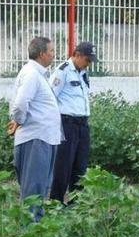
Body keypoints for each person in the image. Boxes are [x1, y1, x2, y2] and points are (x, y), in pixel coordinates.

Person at [7, 37, 62, 221]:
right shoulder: (31, 74)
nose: (54, 55)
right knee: (33, 191)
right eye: (52, 51)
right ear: (41, 54)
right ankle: (29, 235)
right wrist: (19, 121)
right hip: (35, 140)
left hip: (44, 138)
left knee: (39, 189)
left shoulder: (38, 74)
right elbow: (20, 103)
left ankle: (35, 232)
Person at [49, 41, 97, 204]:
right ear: (76, 55)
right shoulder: (62, 72)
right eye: (87, 60)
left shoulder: (82, 72)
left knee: (80, 166)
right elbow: (50, 97)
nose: (89, 64)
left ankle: (76, 203)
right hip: (67, 124)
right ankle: (56, 203)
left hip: (82, 125)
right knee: (63, 165)